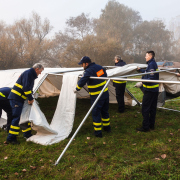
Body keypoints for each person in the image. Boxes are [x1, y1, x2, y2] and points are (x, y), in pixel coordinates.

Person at [5, 63, 44, 144]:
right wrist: (30, 98)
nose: (40, 73)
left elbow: (28, 88)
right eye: (41, 71)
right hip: (16, 99)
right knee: (16, 118)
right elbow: (25, 87)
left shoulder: (30, 74)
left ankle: (27, 134)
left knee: (23, 117)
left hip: (19, 99)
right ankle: (11, 139)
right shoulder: (28, 73)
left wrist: (31, 95)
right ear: (37, 69)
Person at [75, 56, 110, 138]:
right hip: (105, 94)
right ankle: (107, 128)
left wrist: (77, 88)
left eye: (82, 64)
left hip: (96, 96)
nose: (82, 66)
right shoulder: (99, 67)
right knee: (105, 111)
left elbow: (82, 81)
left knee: (96, 113)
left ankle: (98, 133)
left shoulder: (88, 71)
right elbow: (104, 75)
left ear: (86, 63)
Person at [136, 51, 159, 132]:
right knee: (152, 108)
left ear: (150, 56)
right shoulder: (151, 64)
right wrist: (141, 70)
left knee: (145, 108)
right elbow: (148, 73)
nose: (145, 57)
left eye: (146, 56)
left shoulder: (151, 64)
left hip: (150, 90)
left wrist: (142, 82)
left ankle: (145, 127)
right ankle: (151, 125)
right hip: (154, 90)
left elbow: (152, 78)